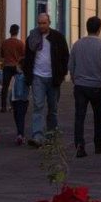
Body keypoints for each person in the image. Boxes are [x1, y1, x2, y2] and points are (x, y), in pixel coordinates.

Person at [22, 12, 69, 147]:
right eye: (39, 23)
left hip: (53, 77)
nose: (41, 26)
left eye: (44, 23)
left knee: (53, 108)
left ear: (49, 23)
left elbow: (65, 56)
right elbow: (28, 58)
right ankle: (37, 136)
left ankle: (51, 134)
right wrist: (28, 75)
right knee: (38, 106)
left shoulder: (58, 37)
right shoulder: (32, 37)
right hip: (37, 76)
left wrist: (62, 74)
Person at [68, 16, 101, 158]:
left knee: (79, 117)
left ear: (87, 28)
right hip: (98, 85)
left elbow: (71, 66)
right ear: (99, 29)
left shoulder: (77, 45)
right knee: (99, 117)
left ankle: (79, 146)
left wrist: (75, 79)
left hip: (80, 85)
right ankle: (99, 145)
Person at [0, 24, 24, 113]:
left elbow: (1, 55)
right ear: (17, 32)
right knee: (17, 86)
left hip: (7, 66)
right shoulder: (20, 43)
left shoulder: (5, 42)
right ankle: (16, 105)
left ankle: (3, 106)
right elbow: (23, 55)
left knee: (5, 87)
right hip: (16, 66)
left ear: (10, 31)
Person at [9, 68, 30, 145]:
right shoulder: (14, 76)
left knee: (20, 117)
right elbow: (12, 90)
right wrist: (10, 101)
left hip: (22, 100)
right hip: (15, 100)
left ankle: (20, 135)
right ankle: (20, 134)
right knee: (17, 117)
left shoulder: (24, 76)